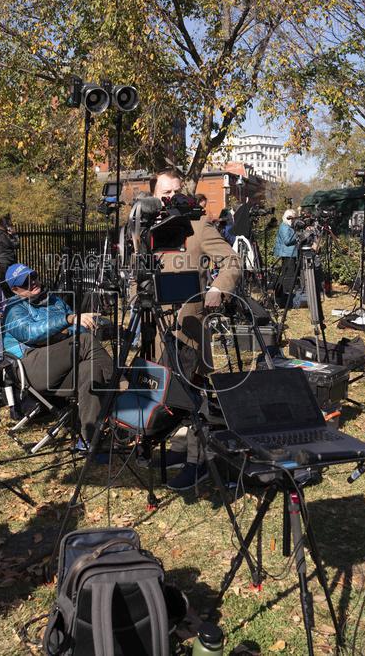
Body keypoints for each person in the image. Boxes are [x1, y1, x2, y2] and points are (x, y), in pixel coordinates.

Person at [143, 169, 240, 491]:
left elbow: (232, 261)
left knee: (194, 398)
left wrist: (217, 290)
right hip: (155, 329)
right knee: (168, 395)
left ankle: (197, 463)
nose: (169, 197)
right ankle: (177, 450)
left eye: (174, 191)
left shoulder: (198, 226)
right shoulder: (147, 230)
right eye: (164, 193)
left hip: (190, 330)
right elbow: (136, 274)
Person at [1, 263, 113, 445]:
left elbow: (78, 328)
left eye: (33, 277)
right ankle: (122, 390)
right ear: (15, 289)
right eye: (25, 282)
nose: (33, 282)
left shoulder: (54, 300)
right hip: (31, 367)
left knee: (90, 369)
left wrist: (79, 326)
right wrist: (68, 320)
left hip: (59, 363)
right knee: (84, 342)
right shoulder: (14, 309)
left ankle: (89, 440)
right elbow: (31, 333)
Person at [274, 209, 300, 303]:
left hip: (290, 253)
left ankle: (284, 293)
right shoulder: (284, 227)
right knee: (288, 274)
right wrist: (297, 234)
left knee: (288, 273)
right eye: (292, 218)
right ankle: (285, 294)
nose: (293, 221)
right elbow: (287, 240)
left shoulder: (288, 226)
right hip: (287, 253)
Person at [0, 214, 20, 285]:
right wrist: (14, 235)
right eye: (10, 224)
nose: (12, 226)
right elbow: (16, 245)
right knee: (9, 284)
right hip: (7, 262)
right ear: (7, 226)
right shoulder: (3, 236)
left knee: (3, 283)